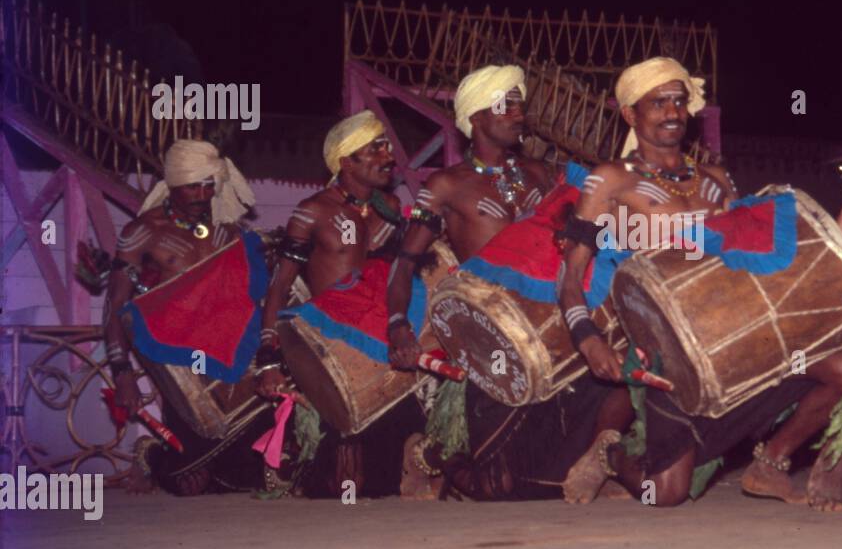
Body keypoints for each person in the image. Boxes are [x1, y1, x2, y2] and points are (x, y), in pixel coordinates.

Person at [559, 56, 842, 509]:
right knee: (664, 493)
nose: (672, 112)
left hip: (735, 336)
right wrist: (588, 338)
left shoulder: (716, 179)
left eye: (679, 102)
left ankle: (772, 461)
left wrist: (835, 237)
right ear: (630, 115)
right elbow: (571, 271)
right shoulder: (611, 180)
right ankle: (612, 453)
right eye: (657, 103)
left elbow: (744, 264)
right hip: (666, 346)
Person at [387, 64, 633, 502]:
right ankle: (429, 456)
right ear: (476, 116)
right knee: (495, 488)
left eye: (520, 103)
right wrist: (397, 324)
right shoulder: (443, 186)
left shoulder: (545, 175)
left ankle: (598, 461)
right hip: (490, 336)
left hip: (554, 325)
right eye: (507, 104)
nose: (519, 113)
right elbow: (404, 261)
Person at [254, 110, 413, 496]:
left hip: (383, 338)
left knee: (391, 478)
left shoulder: (391, 206)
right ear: (346, 162)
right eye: (375, 149)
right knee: (347, 485)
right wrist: (270, 360)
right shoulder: (314, 211)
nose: (388, 156)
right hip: (332, 343)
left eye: (387, 146)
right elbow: (279, 288)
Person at [105, 139, 263, 494]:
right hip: (182, 364)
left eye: (210, 186)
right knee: (188, 480)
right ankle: (152, 455)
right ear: (174, 184)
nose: (203, 195)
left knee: (248, 476)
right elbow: (116, 306)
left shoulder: (230, 230)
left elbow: (255, 294)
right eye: (193, 185)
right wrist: (122, 372)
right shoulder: (143, 233)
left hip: (236, 356)